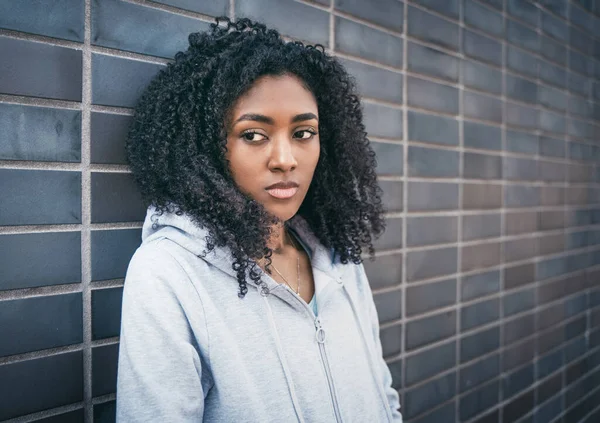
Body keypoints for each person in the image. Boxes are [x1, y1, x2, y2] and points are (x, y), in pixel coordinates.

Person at [116, 16, 403, 423]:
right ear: (209, 147)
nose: (285, 159)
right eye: (253, 135)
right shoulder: (169, 272)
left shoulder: (337, 256)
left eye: (303, 132)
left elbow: (382, 393)